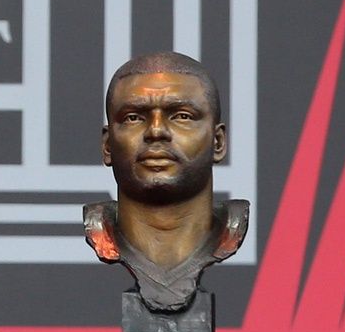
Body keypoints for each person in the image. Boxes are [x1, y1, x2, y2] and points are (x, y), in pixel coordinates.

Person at [85, 51, 246, 314]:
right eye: (133, 117)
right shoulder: (103, 236)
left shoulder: (230, 232)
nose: (156, 131)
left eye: (181, 116)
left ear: (218, 142)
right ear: (107, 145)